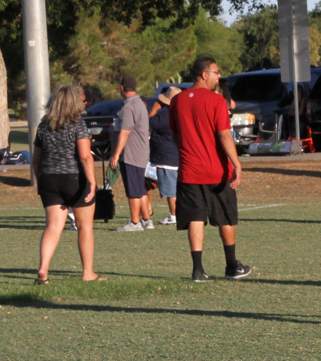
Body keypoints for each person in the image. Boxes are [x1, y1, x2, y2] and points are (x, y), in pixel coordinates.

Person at [170, 57, 252, 282]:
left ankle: (198, 270)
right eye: (216, 72)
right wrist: (236, 163)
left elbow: (176, 134)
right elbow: (225, 134)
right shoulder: (216, 101)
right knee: (226, 216)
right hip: (216, 171)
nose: (219, 76)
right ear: (204, 74)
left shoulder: (177, 101)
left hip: (188, 170)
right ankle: (231, 266)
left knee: (195, 218)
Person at [29, 84, 102, 284]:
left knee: (52, 226)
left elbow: (36, 159)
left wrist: (39, 180)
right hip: (74, 177)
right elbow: (85, 156)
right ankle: (88, 272)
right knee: (84, 226)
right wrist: (92, 182)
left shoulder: (44, 124)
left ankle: (43, 268)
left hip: (49, 178)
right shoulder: (78, 124)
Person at [108, 76, 154, 232]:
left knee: (133, 189)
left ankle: (135, 222)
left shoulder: (129, 106)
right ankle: (146, 219)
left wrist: (115, 155)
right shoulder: (139, 103)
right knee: (139, 188)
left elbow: (125, 132)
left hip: (132, 153)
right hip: (140, 152)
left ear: (122, 88)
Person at [149, 86, 182, 225]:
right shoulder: (182, 113)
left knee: (171, 189)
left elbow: (149, 122)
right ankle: (177, 213)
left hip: (167, 157)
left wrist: (155, 108)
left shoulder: (164, 115)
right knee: (178, 187)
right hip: (179, 155)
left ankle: (174, 215)